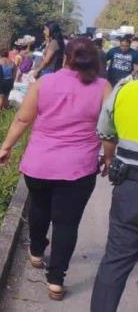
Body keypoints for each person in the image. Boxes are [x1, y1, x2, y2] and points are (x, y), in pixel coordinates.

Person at [0, 38, 111, 301]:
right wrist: (107, 157)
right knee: (66, 224)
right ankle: (56, 281)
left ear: (65, 57)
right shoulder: (103, 87)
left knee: (39, 208)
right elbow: (108, 130)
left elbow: (23, 118)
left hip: (40, 164)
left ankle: (36, 253)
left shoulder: (44, 83)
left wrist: (6, 147)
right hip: (79, 169)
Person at [91, 73, 138, 312]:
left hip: (131, 186)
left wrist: (109, 158)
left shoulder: (124, 90)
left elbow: (106, 132)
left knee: (117, 260)